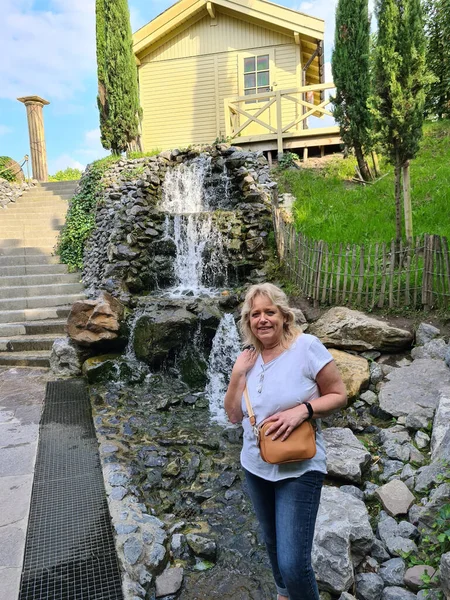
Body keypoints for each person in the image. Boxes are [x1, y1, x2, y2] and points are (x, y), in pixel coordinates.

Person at [224, 283, 347, 600]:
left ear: (284, 315)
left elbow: (338, 395)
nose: (262, 319)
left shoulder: (306, 347)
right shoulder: (247, 359)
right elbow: (233, 416)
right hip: (255, 465)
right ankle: (282, 594)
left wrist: (303, 411)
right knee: (272, 541)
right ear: (248, 322)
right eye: (255, 314)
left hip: (301, 466)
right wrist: (238, 375)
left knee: (294, 562)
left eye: (269, 312)